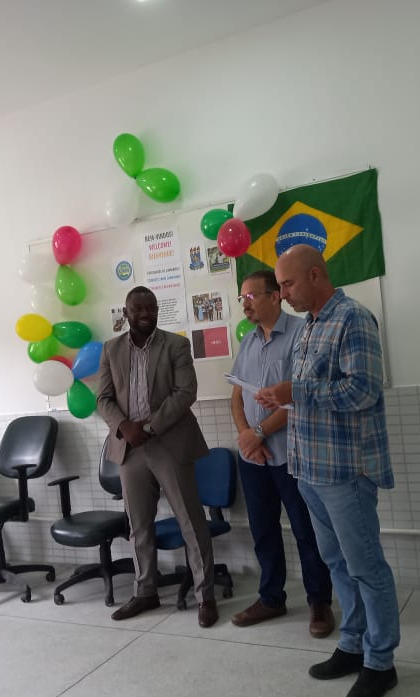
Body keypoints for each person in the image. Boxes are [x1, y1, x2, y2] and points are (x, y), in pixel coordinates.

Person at [255, 244, 400, 697]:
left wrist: (296, 391)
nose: (282, 294)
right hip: (310, 469)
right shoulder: (309, 326)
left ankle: (382, 662)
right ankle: (353, 644)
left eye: (288, 284)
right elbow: (308, 395)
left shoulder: (353, 319)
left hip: (345, 470)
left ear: (316, 275)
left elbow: (363, 390)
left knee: (366, 567)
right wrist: (284, 397)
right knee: (337, 563)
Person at [97, 286, 218, 628]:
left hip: (169, 443)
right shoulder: (111, 349)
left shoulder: (176, 345)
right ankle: (145, 591)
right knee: (138, 526)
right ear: (126, 312)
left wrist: (148, 428)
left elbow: (186, 392)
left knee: (190, 522)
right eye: (138, 309)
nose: (145, 314)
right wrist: (124, 427)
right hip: (129, 448)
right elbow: (103, 399)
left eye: (151, 307)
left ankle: (205, 596)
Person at [229, 269, 334, 637]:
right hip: (254, 458)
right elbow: (236, 396)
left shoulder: (302, 334)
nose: (245, 304)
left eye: (251, 296)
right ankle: (271, 598)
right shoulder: (248, 342)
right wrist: (246, 437)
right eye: (242, 298)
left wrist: (259, 433)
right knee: (263, 530)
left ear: (275, 296)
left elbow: (299, 398)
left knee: (306, 530)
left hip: (292, 453)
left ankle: (319, 601)